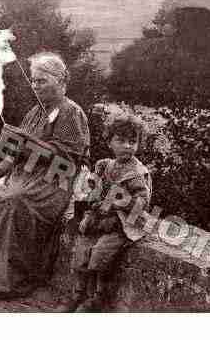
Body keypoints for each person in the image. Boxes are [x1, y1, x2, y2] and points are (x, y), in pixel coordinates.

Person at [0, 52, 90, 298]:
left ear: (61, 82)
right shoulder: (34, 113)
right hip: (25, 176)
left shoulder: (70, 112)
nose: (35, 85)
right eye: (33, 80)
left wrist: (30, 145)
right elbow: (12, 157)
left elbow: (69, 161)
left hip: (54, 182)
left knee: (14, 202)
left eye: (42, 80)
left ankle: (14, 278)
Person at [60, 114, 152, 312]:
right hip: (100, 217)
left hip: (122, 222)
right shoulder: (105, 166)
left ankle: (98, 297)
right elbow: (91, 190)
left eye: (132, 142)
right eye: (121, 141)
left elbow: (141, 203)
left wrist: (116, 202)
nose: (127, 146)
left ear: (138, 144)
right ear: (110, 142)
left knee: (101, 253)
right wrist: (90, 186)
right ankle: (78, 292)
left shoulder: (137, 172)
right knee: (82, 248)